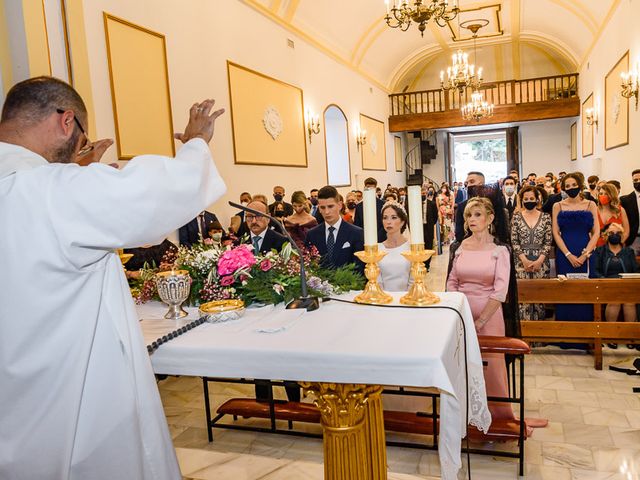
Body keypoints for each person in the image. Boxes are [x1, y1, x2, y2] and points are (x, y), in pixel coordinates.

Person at [0, 76, 227, 479]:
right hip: (75, 413)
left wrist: (75, 172)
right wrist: (196, 144)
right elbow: (161, 193)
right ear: (66, 122)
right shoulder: (50, 190)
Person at [446, 198, 546, 434]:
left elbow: (500, 290)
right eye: (468, 216)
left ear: (490, 219)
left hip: (489, 317)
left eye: (477, 215)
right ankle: (467, 414)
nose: (472, 220)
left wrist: (479, 321)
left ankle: (498, 417)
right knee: (464, 366)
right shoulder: (459, 247)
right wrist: (459, 311)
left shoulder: (500, 251)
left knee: (491, 368)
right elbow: (452, 281)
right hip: (461, 314)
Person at [552, 173, 599, 337]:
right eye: (568, 186)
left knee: (584, 292)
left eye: (574, 185)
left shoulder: (590, 204)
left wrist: (586, 254)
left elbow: (596, 232)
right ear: (564, 188)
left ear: (580, 185)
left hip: (585, 251)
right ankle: (565, 336)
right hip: (565, 252)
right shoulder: (558, 205)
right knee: (565, 292)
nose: (571, 188)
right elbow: (556, 233)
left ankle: (586, 335)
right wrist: (568, 254)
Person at [510, 186, 552, 320]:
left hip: (541, 263)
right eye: (526, 199)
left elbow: (548, 240)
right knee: (523, 300)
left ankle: (539, 338)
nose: (529, 201)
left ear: (537, 199)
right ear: (522, 200)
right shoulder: (516, 217)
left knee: (540, 299)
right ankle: (524, 337)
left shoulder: (545, 217)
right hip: (521, 262)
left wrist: (540, 260)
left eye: (532, 198)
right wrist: (524, 259)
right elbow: (514, 240)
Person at [305, 185, 364, 272]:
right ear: (319, 208)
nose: (327, 212)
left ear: (340, 205)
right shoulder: (312, 234)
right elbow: (309, 265)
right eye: (322, 207)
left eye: (330, 206)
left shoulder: (356, 233)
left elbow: (359, 268)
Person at [593, 224, 639, 328]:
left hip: (627, 285)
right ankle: (611, 334)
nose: (615, 235)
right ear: (606, 235)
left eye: (618, 233)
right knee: (615, 301)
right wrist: (604, 281)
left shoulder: (629, 252)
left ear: (622, 235)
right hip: (607, 285)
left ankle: (629, 336)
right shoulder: (600, 251)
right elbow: (595, 270)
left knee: (629, 302)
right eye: (611, 233)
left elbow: (636, 270)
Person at [455, 171, 509, 244]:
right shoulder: (462, 206)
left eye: (472, 181)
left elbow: (501, 230)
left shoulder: (494, 204)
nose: (468, 185)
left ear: (481, 184)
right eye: (467, 183)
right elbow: (459, 234)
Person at [377, 203, 411, 291]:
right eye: (385, 218)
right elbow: (377, 280)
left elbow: (414, 280)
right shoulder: (377, 248)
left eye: (394, 217)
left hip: (407, 299)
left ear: (402, 222)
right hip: (384, 299)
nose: (388, 222)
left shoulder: (411, 248)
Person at [595, 183, 630, 247]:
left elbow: (626, 232)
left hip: (617, 249)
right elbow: (590, 232)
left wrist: (617, 245)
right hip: (598, 249)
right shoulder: (594, 210)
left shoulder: (620, 210)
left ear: (612, 195)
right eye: (601, 194)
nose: (603, 196)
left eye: (606, 194)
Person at [354, 177, 387, 242]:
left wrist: (377, 238)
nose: (369, 190)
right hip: (364, 239)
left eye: (372, 188)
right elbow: (357, 225)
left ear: (375, 189)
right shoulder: (359, 206)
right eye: (367, 187)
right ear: (364, 188)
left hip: (381, 239)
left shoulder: (383, 204)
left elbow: (385, 223)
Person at [620, 169, 640, 255]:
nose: (638, 182)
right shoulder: (625, 200)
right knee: (631, 267)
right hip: (633, 239)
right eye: (635, 180)